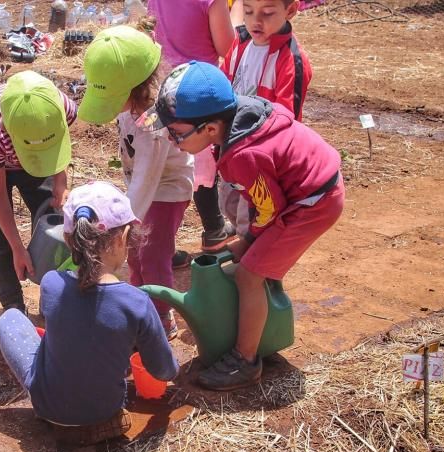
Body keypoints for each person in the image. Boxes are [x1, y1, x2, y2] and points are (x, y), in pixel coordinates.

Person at [142, 61, 343, 390]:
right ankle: (264, 330)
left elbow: (269, 209)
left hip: (312, 203)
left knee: (250, 274)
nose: (172, 140)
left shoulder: (243, 155)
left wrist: (249, 241)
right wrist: (250, 241)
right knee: (251, 260)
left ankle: (245, 361)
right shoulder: (243, 114)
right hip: (310, 190)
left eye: (177, 133)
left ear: (209, 129)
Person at [0, 181, 179, 446]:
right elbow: (164, 370)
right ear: (124, 238)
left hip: (48, 406)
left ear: (69, 239)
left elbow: (78, 317)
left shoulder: (52, 284)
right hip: (105, 410)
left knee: (10, 319)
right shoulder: (136, 303)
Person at [78, 26, 193, 339]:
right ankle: (137, 308)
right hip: (143, 190)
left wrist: (121, 220)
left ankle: (159, 319)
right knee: (136, 254)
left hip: (166, 191)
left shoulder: (153, 126)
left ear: (134, 89)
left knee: (154, 257)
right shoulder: (130, 106)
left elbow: (147, 178)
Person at [0, 71, 76, 314]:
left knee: (57, 221)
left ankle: (56, 297)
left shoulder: (61, 107)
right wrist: (17, 247)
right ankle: (13, 305)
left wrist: (61, 179)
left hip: (38, 154)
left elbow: (60, 145)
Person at [146, 0, 237, 265]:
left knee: (168, 171)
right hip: (197, 95)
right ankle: (214, 230)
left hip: (164, 89)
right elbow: (227, 47)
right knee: (201, 169)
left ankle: (161, 243)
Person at [223, 0, 313, 233]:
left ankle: (251, 251)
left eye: (268, 13)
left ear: (290, 10)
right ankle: (240, 231)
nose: (255, 21)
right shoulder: (239, 43)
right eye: (249, 11)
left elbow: (285, 118)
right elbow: (223, 85)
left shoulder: (291, 59)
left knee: (253, 209)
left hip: (260, 156)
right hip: (231, 147)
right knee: (228, 202)